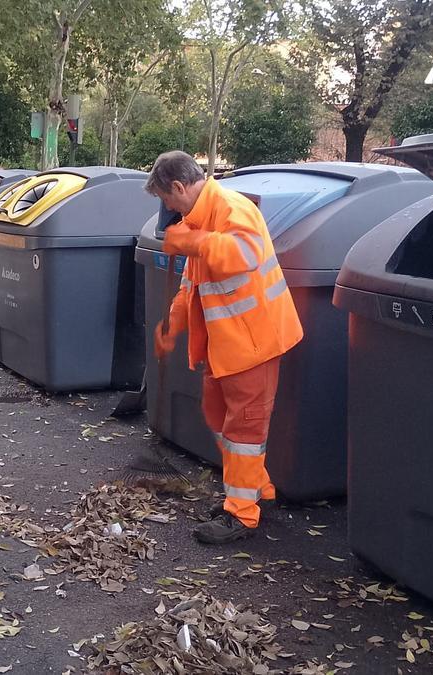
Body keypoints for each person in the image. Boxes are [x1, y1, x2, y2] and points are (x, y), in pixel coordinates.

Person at [147, 150, 303, 545]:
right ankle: (256, 489)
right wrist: (173, 325)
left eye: (168, 201)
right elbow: (192, 287)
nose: (170, 211)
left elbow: (243, 255)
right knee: (218, 417)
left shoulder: (233, 208)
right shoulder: (199, 219)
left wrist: (193, 241)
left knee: (244, 430)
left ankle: (242, 514)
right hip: (226, 347)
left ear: (180, 187)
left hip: (254, 345)